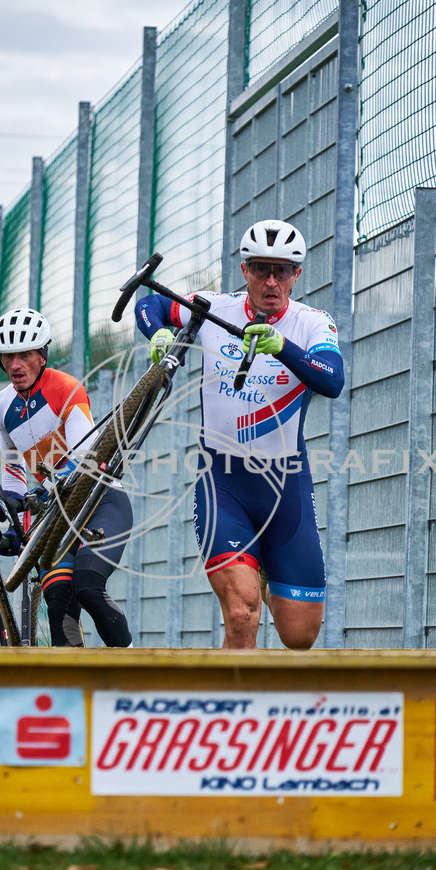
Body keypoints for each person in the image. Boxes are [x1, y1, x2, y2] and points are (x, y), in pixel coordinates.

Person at [135, 220, 344, 650]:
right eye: (261, 269)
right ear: (244, 269)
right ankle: (230, 714)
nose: (271, 281)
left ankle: (268, 570)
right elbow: (152, 302)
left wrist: (283, 347)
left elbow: (333, 380)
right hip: (223, 483)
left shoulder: (312, 323)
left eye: (282, 271)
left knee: (299, 635)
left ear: (297, 275)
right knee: (241, 611)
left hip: (285, 484)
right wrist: (156, 332)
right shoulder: (213, 308)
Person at [0, 307, 133, 647]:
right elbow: (13, 470)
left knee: (87, 586)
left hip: (101, 501)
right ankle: (70, 692)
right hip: (58, 517)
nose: (15, 365)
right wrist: (15, 523)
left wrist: (46, 488)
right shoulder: (1, 405)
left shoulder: (66, 388)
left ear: (42, 356)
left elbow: (84, 457)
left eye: (24, 355)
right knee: (58, 601)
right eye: (8, 357)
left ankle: (130, 661)